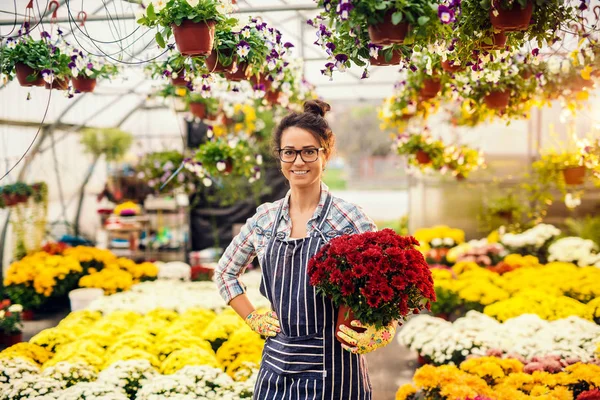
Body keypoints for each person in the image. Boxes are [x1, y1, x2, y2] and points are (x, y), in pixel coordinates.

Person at [214, 100, 396, 399]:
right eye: (290, 152)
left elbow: (388, 281)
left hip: (336, 370)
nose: (298, 162)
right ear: (280, 157)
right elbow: (225, 273)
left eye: (309, 151)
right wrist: (252, 317)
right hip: (276, 368)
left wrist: (384, 327)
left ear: (325, 155)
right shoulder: (265, 218)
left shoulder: (349, 218)